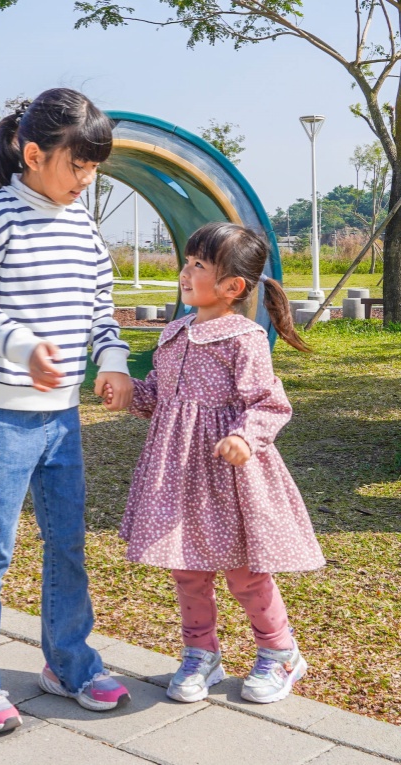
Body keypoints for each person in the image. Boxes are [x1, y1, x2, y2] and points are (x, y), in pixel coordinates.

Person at [0, 88, 134, 735]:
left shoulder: (82, 228)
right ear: (33, 153)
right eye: (78, 166)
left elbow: (99, 310)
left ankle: (69, 661)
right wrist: (23, 348)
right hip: (2, 415)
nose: (87, 180)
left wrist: (111, 361)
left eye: (93, 169)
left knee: (68, 544)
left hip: (61, 420)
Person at [109, 221, 324, 706]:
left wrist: (244, 438)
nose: (185, 272)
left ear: (232, 287)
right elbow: (162, 401)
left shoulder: (243, 339)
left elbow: (268, 404)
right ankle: (200, 652)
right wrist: (127, 394)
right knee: (186, 568)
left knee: (244, 573)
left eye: (199, 265)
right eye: (186, 262)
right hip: (177, 475)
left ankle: (280, 652)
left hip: (228, 477)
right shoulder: (174, 332)